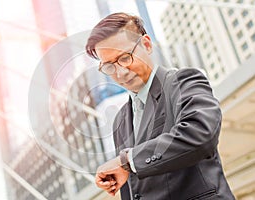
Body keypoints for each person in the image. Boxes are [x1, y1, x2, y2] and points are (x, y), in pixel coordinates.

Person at [85, 12, 235, 200]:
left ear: (147, 44)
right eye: (109, 66)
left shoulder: (183, 81)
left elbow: (200, 132)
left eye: (125, 58)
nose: (120, 72)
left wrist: (127, 161)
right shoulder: (120, 120)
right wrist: (126, 166)